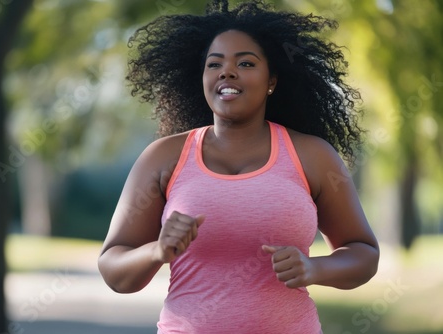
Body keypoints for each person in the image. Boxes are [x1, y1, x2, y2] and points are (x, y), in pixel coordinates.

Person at [98, 0, 380, 332]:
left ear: (272, 80)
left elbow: (364, 253)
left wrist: (314, 268)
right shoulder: (163, 158)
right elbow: (114, 268)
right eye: (213, 64)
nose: (226, 72)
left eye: (245, 63)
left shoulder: (312, 155)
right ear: (201, 77)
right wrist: (157, 251)